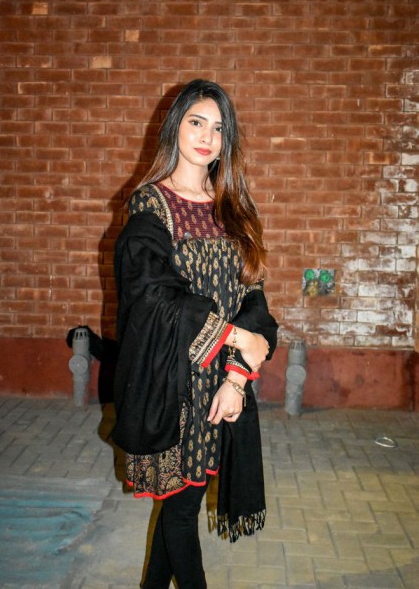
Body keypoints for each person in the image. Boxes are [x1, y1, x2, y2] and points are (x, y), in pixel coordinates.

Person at [112, 80, 278, 589]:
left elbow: (254, 301)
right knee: (181, 513)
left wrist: (237, 379)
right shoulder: (151, 205)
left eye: (219, 128)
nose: (207, 137)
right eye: (196, 122)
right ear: (175, 127)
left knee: (180, 507)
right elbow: (152, 297)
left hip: (221, 388)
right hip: (172, 385)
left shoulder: (234, 209)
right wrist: (235, 338)